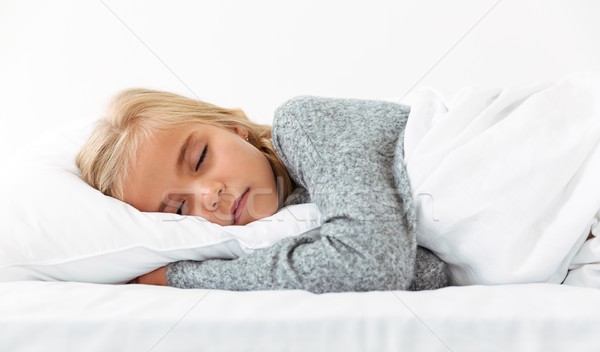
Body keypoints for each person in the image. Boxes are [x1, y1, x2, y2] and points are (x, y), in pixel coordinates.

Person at [76, 89, 449, 292]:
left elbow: (373, 264)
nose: (209, 195)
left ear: (234, 128)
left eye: (201, 157)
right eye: (178, 210)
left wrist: (181, 276)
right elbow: (431, 272)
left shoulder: (302, 124)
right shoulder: (293, 222)